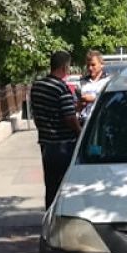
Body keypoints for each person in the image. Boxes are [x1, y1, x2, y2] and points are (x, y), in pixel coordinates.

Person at [30, 50, 81, 208]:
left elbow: (38, 113)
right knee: (64, 187)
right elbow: (69, 118)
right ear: (64, 67)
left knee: (50, 186)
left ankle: (50, 215)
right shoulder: (61, 88)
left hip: (46, 144)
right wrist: (80, 133)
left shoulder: (37, 86)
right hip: (63, 145)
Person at [76, 50, 110, 123]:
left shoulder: (108, 81)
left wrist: (94, 99)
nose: (90, 68)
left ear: (102, 64)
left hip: (101, 121)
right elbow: (74, 108)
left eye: (93, 65)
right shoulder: (81, 83)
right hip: (84, 121)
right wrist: (80, 105)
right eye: (88, 65)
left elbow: (111, 101)